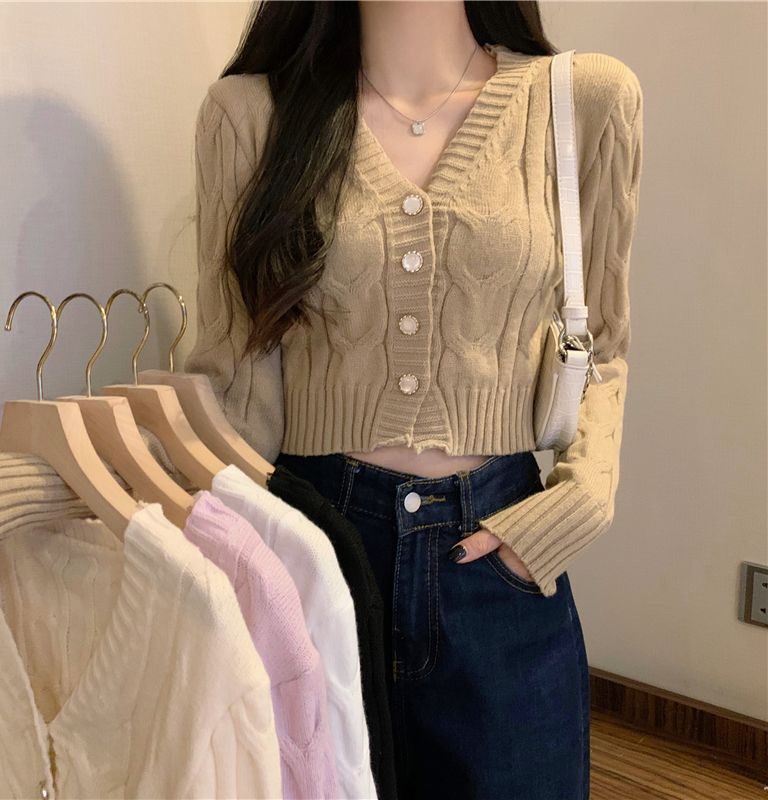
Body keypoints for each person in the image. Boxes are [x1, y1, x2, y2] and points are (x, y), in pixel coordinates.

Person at [185, 2, 645, 798]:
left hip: (500, 553)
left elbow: (601, 344)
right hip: (314, 553)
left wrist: (579, 503)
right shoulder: (251, 113)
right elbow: (226, 385)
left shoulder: (583, 99)